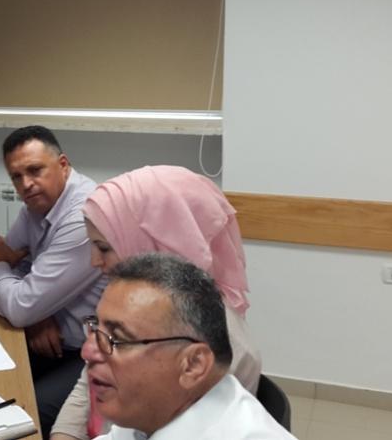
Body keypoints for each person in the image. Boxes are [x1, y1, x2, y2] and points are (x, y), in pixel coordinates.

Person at [51, 165, 261, 440]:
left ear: (155, 244)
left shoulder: (219, 339)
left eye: (104, 247)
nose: (94, 261)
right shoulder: (130, 306)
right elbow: (87, 383)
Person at [82, 253, 294, 439]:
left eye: (118, 338)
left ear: (193, 365)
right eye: (95, 328)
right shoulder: (151, 413)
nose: (87, 352)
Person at [0, 126, 107, 438]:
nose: (25, 184)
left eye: (35, 170)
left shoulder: (83, 216)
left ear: (63, 164)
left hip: (91, 352)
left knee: (22, 415)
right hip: (51, 338)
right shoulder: (36, 205)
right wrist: (38, 315)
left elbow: (16, 293)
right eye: (16, 176)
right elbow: (21, 277)